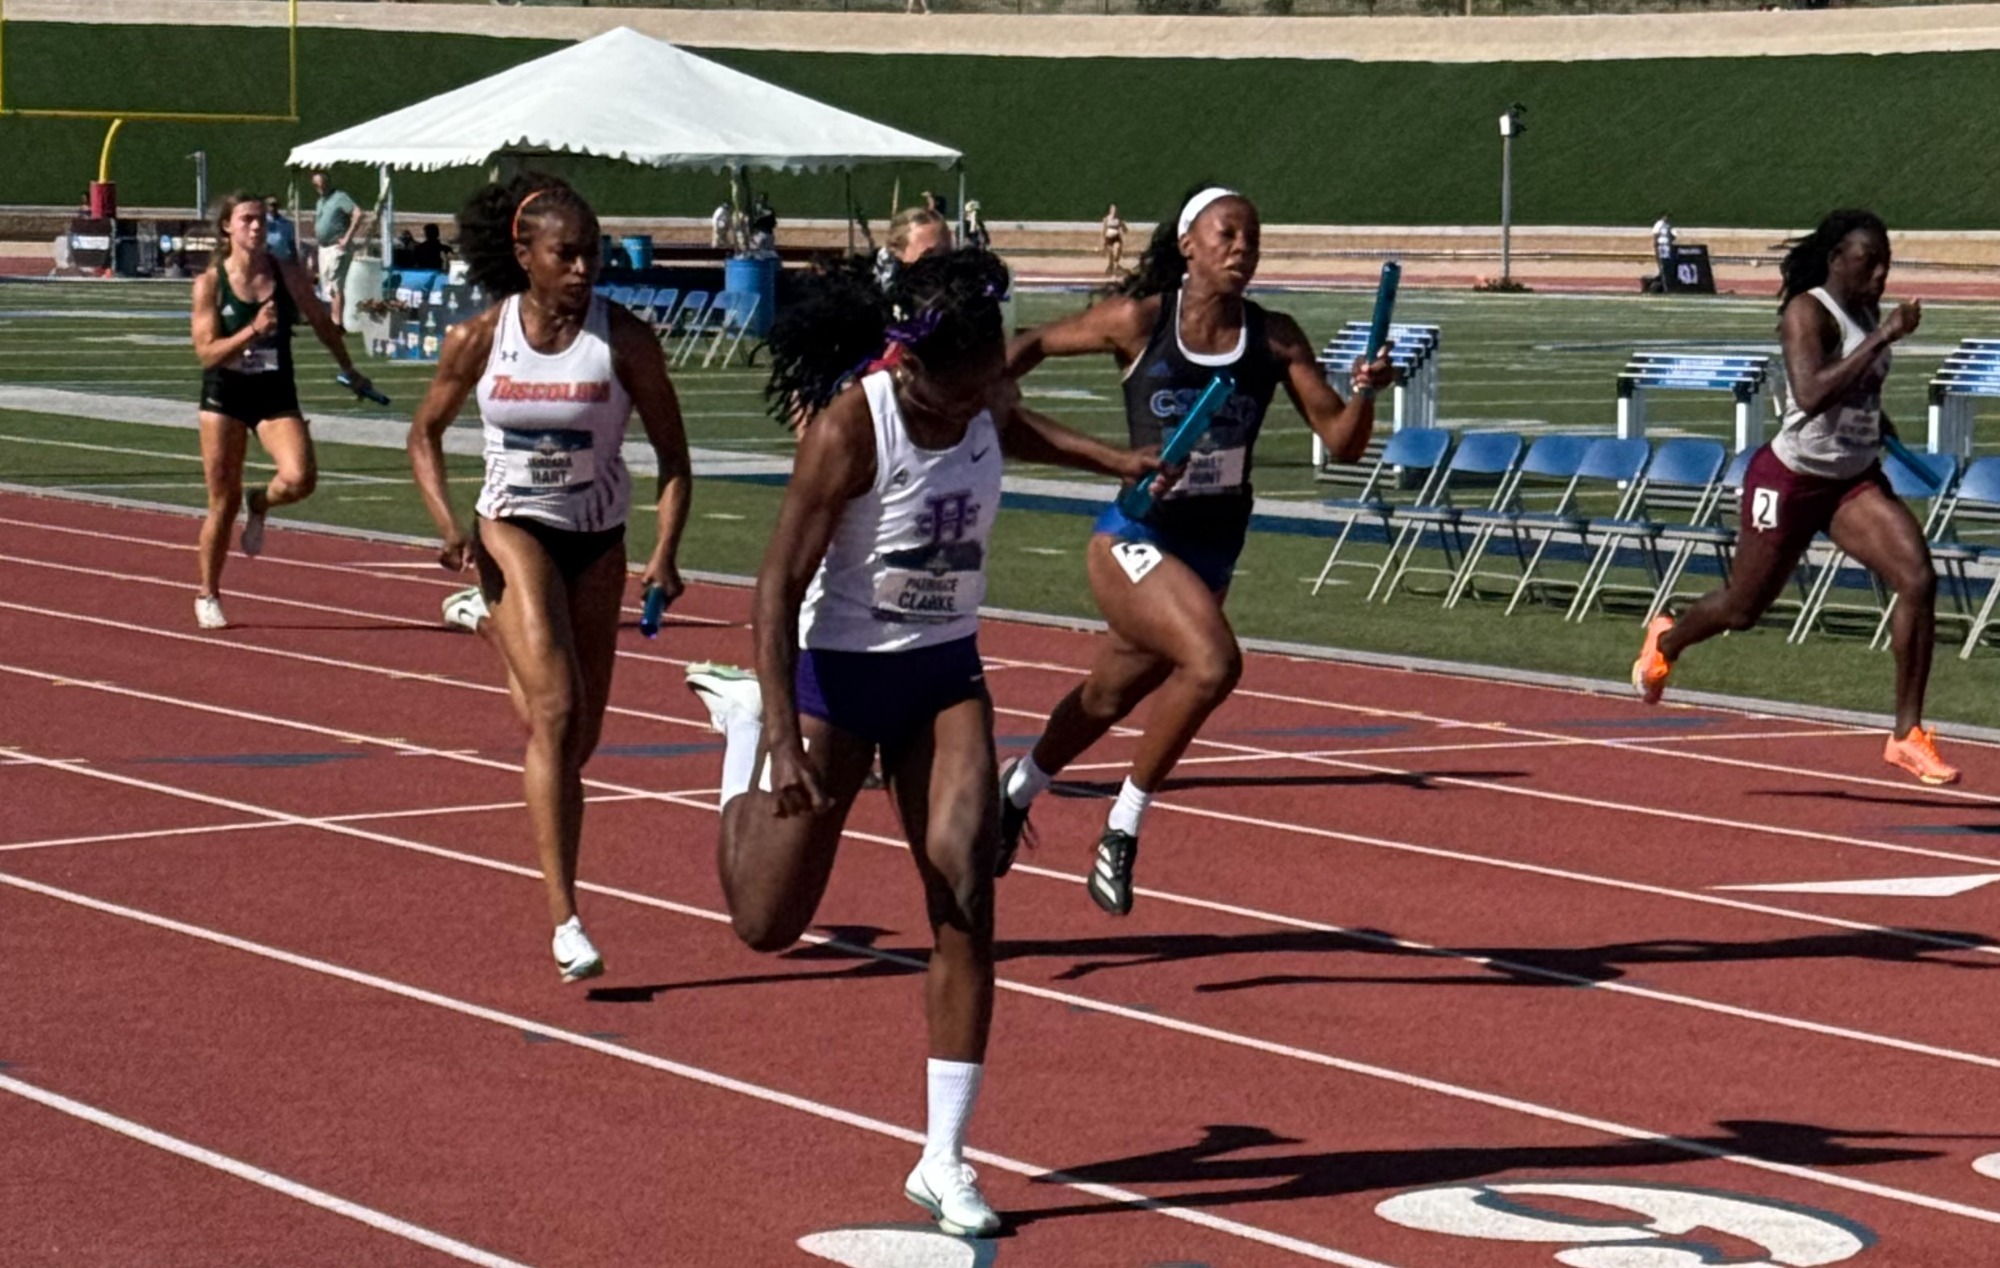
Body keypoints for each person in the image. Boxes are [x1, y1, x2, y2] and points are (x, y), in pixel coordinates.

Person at [681, 250, 1162, 1237]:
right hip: (837, 678)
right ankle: (734, 742)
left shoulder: (980, 394)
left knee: (963, 894)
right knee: (764, 922)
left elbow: (1011, 422)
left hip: (943, 674)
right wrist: (778, 729)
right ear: (908, 365)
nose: (967, 412)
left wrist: (1110, 461)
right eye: (953, 395)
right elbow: (773, 587)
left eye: (983, 386)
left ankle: (943, 1155)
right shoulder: (853, 426)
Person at [994, 186, 1394, 916]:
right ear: (1188, 244)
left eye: (1253, 238)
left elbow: (1342, 442)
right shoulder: (1142, 321)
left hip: (1210, 558)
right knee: (1213, 663)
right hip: (1134, 540)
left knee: (1107, 697)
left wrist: (1365, 392)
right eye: (1227, 234)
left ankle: (1014, 792)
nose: (1243, 248)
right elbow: (1036, 343)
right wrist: (985, 399)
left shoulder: (1273, 337)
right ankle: (1121, 829)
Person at [408, 174, 694, 980]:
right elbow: (424, 434)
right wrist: (447, 526)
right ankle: (566, 917)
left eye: (592, 255)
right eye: (566, 255)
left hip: (597, 539)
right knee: (557, 713)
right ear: (524, 254)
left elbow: (674, 456)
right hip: (512, 528)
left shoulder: (625, 340)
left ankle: (490, 622)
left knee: (578, 743)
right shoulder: (478, 339)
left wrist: (665, 552)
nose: (582, 270)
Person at [1632, 209, 1957, 785]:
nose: (1881, 275)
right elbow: (1809, 392)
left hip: (1851, 480)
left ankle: (1906, 733)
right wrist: (1884, 336)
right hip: (1789, 478)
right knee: (1743, 608)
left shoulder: (1862, 309)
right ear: (1836, 260)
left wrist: (1876, 420)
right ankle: (1667, 639)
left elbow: (1856, 384)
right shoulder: (1807, 312)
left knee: (1918, 578)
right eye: (1869, 262)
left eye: (1887, 263)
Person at [190, 191, 372, 630]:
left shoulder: (286, 274)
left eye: (262, 220)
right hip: (225, 396)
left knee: (300, 477)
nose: (256, 227)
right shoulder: (210, 284)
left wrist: (350, 368)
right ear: (227, 228)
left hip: (274, 393)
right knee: (221, 502)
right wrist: (253, 330)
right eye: (247, 219)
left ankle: (262, 500)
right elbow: (207, 353)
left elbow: (322, 321)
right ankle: (208, 593)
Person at [311, 170, 361, 330]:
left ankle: (337, 323)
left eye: (322, 184)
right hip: (323, 248)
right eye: (317, 186)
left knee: (336, 284)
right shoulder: (320, 202)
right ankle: (333, 318)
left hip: (336, 247)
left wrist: (347, 237)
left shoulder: (340, 197)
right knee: (328, 286)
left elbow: (358, 214)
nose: (320, 188)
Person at [262, 197, 297, 263]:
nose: (272, 208)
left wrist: (294, 259)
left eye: (274, 205)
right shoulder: (262, 222)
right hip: (266, 260)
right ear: (266, 207)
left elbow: (291, 243)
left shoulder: (286, 224)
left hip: (281, 259)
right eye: (270, 205)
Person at [1101, 203, 1127, 278]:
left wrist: (1124, 227)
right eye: (1113, 210)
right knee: (1111, 254)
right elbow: (1104, 229)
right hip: (1109, 238)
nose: (1114, 211)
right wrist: (1104, 240)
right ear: (1110, 210)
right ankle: (1111, 266)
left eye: (1116, 210)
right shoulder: (1106, 219)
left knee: (1117, 249)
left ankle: (1116, 265)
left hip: (1116, 238)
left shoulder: (1119, 219)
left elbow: (1125, 228)